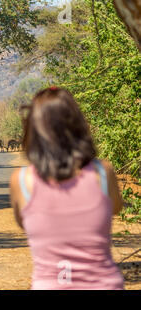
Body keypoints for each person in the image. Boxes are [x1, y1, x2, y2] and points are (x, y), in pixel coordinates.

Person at [9, 87, 124, 290]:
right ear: (78, 126)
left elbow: (23, 222)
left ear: (34, 131)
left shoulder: (21, 181)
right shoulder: (103, 172)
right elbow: (115, 208)